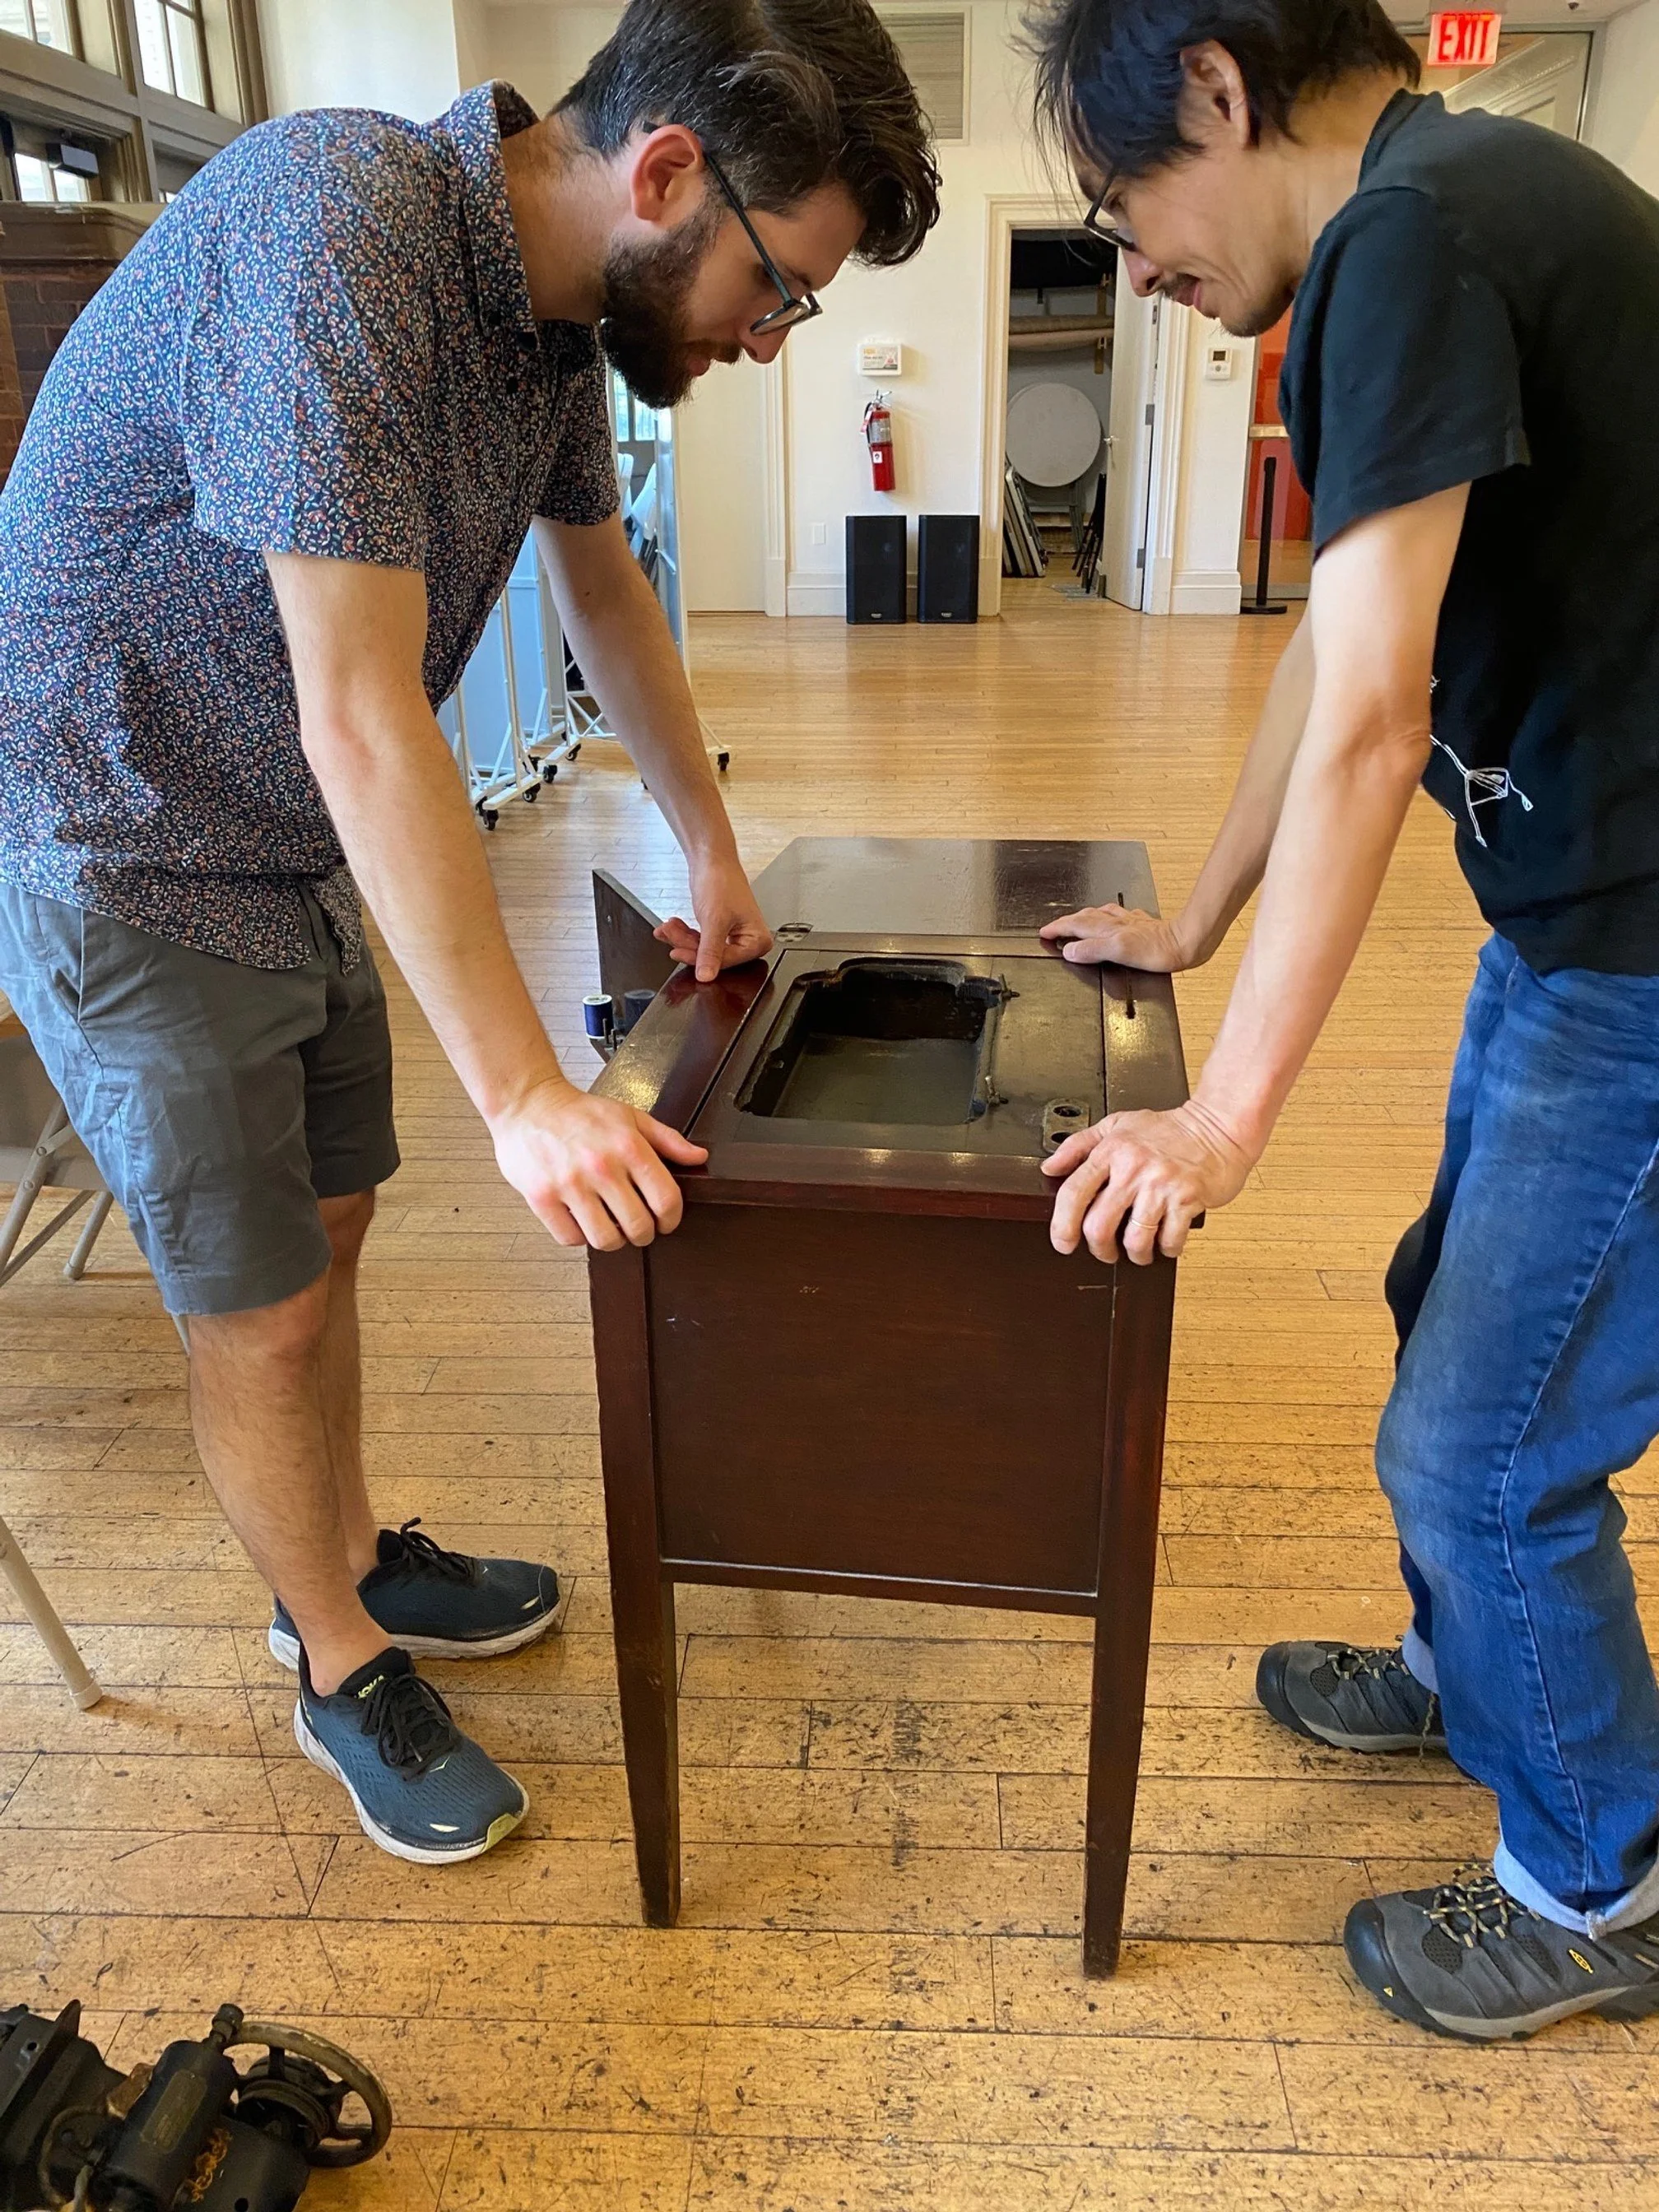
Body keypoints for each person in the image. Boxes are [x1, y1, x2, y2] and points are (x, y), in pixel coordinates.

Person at [0, 0, 938, 1864]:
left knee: (333, 1219)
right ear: (667, 172)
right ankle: (334, 1661)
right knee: (259, 1305)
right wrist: (524, 1094)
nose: (770, 338)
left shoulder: (551, 324)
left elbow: (606, 591)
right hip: (118, 827)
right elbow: (362, 710)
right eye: (782, 288)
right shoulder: (337, 227)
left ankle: (342, 1557)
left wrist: (709, 846)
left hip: (283, 831)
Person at [1025, 0, 1659, 2040]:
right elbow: (1337, 655)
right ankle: (1479, 1672)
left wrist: (1222, 1123)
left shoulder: (1416, 236)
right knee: (1445, 1311)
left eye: (1130, 209)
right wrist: (1196, 919)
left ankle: (1598, 1885)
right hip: (1583, 925)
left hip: (1644, 952)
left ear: (1219, 89)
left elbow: (1384, 725)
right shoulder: (1448, 209)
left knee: (1484, 1447)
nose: (1142, 271)